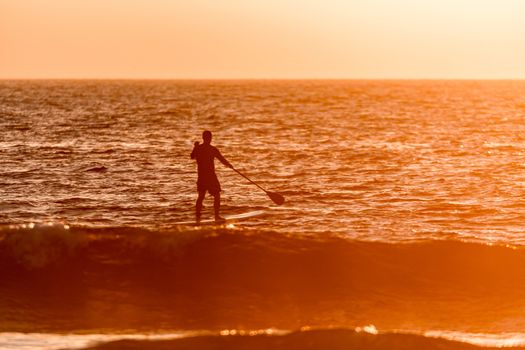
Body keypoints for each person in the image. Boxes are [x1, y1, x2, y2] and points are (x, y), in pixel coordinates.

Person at [191, 130, 233, 222]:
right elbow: (222, 159)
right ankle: (216, 216)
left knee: (201, 196)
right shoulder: (210, 149)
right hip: (209, 176)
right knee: (216, 195)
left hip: (203, 176)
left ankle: (198, 217)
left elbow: (192, 156)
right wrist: (229, 164)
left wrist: (229, 165)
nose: (209, 139)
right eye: (209, 138)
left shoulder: (202, 148)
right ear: (209, 138)